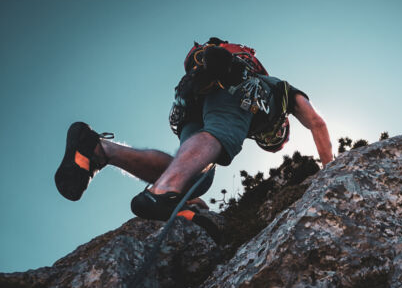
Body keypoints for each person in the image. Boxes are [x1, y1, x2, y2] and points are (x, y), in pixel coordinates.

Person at [54, 37, 333, 233]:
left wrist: (186, 198)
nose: (267, 139)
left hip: (193, 97)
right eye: (272, 140)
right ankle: (163, 192)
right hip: (236, 88)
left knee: (197, 178)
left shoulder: (250, 122)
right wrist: (331, 171)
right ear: (281, 128)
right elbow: (317, 124)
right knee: (221, 134)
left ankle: (98, 149)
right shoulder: (280, 92)